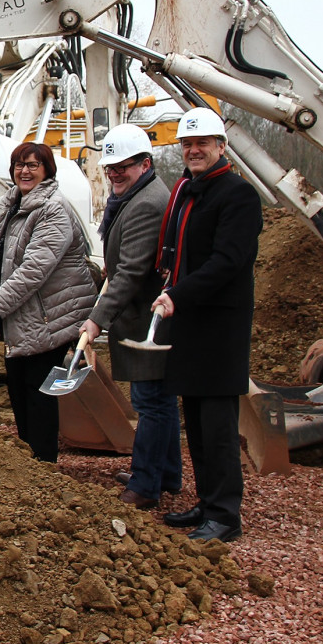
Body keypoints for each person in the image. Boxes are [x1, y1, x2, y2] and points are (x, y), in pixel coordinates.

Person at [153, 107, 262, 542]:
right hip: (191, 324)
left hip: (219, 327)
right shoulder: (190, 191)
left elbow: (228, 261)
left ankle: (225, 515)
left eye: (202, 143)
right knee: (195, 421)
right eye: (187, 144)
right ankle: (207, 503)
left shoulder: (237, 195)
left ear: (221, 146)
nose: (194, 150)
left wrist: (177, 294)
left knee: (217, 426)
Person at [0, 142, 98, 462]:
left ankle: (44, 466)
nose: (24, 171)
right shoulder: (17, 204)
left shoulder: (53, 208)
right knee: (18, 387)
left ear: (47, 171)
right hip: (27, 312)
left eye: (32, 165)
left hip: (52, 315)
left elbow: (33, 270)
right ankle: (32, 463)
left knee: (37, 390)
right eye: (19, 165)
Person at [80, 124, 177, 510]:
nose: (115, 172)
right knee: (161, 401)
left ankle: (146, 485)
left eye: (123, 165)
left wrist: (96, 318)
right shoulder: (135, 196)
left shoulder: (147, 203)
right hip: (145, 315)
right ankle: (166, 473)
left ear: (145, 163)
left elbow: (133, 272)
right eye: (110, 167)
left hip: (146, 321)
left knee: (151, 402)